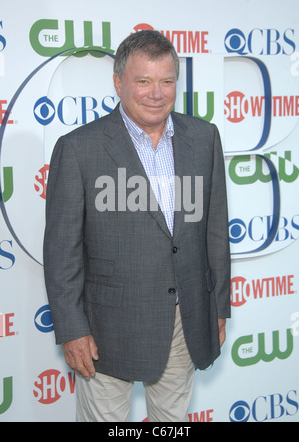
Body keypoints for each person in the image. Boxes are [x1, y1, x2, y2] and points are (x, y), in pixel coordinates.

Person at [43, 30, 231, 422]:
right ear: (118, 82)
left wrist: (217, 308)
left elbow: (215, 232)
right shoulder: (79, 148)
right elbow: (62, 251)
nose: (156, 93)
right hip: (106, 327)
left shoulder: (204, 137)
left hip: (184, 319)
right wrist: (71, 329)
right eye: (143, 81)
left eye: (166, 81)